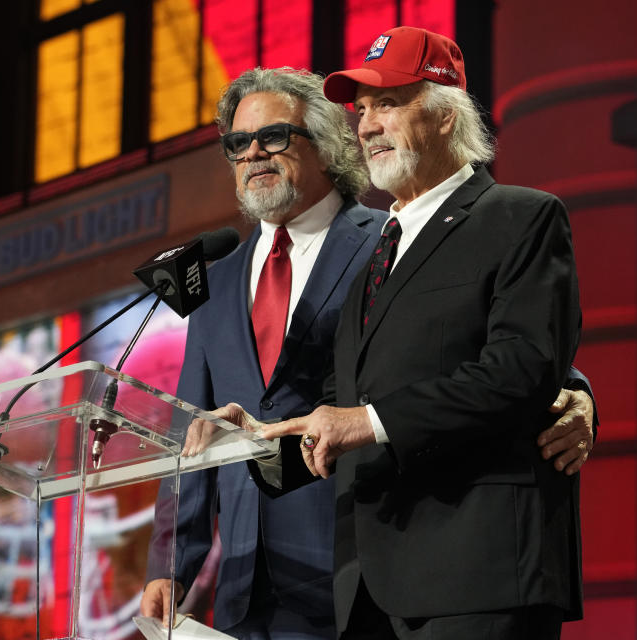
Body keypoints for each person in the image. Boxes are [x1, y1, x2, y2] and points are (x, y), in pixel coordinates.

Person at [141, 63, 594, 639]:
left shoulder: (396, 238)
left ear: (327, 143)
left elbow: (514, 348)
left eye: (273, 137)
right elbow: (194, 430)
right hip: (245, 586)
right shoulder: (215, 281)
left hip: (365, 561)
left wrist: (578, 394)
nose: (252, 154)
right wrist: (173, 561)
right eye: (238, 143)